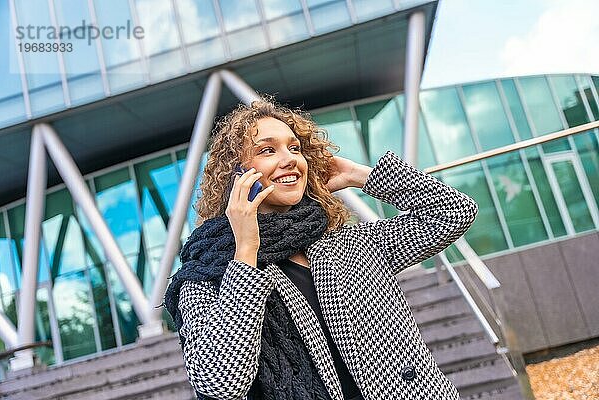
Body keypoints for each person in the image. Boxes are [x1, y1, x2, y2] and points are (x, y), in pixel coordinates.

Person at [164, 98, 479, 400]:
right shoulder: (206, 275)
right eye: (267, 150)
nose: (289, 158)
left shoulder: (348, 245)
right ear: (237, 175)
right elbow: (220, 381)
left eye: (295, 148)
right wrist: (246, 250)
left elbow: (452, 214)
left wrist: (362, 176)